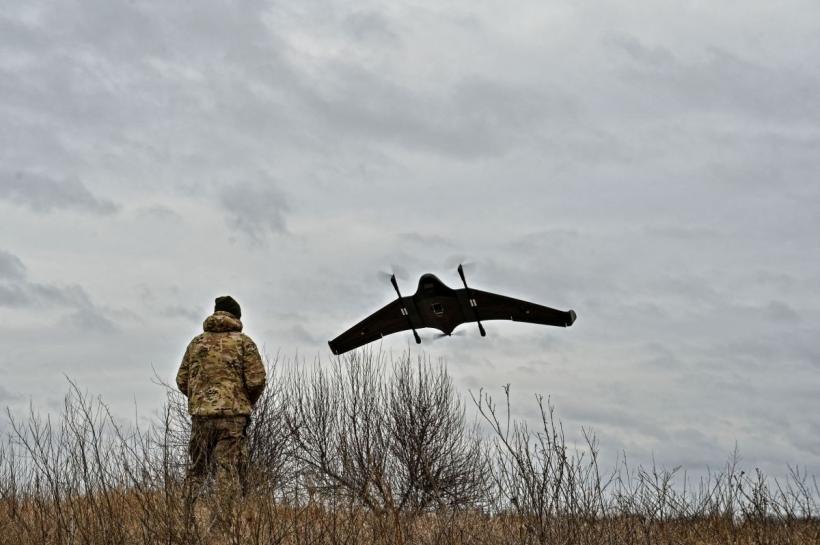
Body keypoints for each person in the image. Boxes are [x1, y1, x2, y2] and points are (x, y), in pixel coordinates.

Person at [176, 295, 266, 495]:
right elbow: (256, 380)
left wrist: (201, 399)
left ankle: (186, 520)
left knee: (197, 471)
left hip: (201, 418)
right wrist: (245, 402)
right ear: (237, 316)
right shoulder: (243, 343)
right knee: (227, 472)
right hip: (232, 419)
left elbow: (181, 380)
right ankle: (223, 525)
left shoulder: (196, 344)